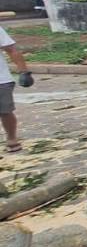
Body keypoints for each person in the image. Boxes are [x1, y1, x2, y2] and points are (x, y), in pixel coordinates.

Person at [0, 25, 34, 153]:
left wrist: (24, 72)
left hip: (1, 79)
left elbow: (11, 50)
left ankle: (11, 137)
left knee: (5, 111)